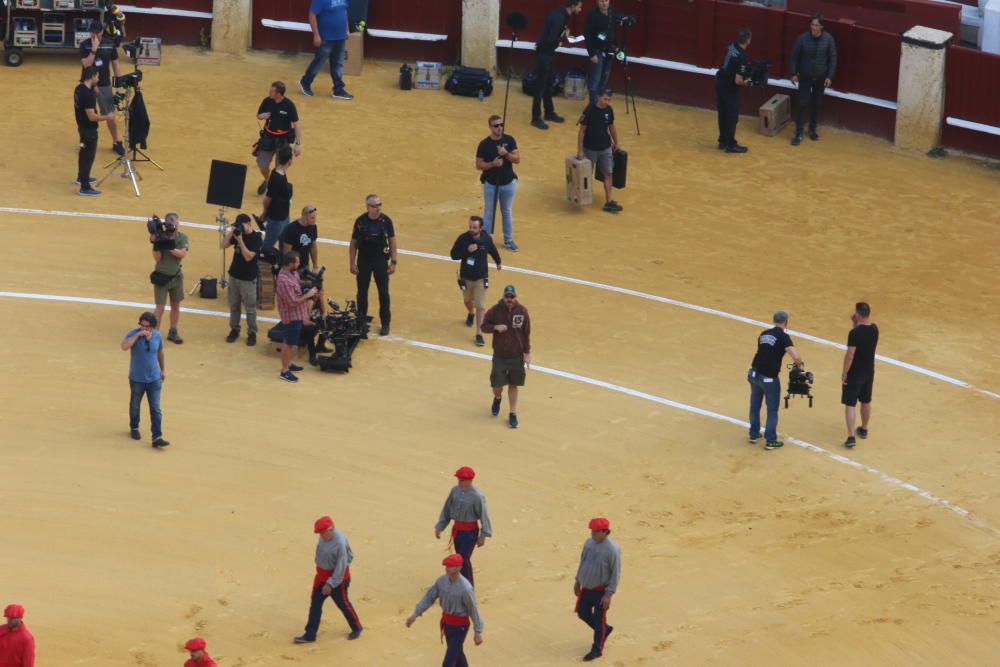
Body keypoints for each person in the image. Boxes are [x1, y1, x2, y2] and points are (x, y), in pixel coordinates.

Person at [295, 516, 363, 644]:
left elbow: (341, 566)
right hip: (321, 576)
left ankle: (357, 627)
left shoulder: (340, 543)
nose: (320, 535)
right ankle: (310, 634)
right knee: (315, 604)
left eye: (322, 532)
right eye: (319, 533)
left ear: (330, 529)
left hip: (338, 579)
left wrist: (330, 584)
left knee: (343, 604)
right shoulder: (323, 536)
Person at [405, 554, 484, 666]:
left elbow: (473, 609)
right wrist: (415, 615)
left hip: (460, 627)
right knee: (458, 654)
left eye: (450, 566)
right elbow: (429, 597)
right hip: (447, 624)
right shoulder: (441, 581)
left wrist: (478, 632)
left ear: (459, 567)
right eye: (446, 565)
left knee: (448, 661)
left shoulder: (465, 588)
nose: (447, 568)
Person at [747, 310, 805, 450]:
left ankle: (754, 434)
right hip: (769, 379)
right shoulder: (783, 337)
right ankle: (771, 440)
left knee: (755, 406)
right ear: (786, 323)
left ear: (774, 320)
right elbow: (795, 357)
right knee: (772, 409)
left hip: (754, 374)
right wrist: (801, 366)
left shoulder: (764, 334)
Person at [481, 285, 531, 429]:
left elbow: (526, 333)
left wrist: (527, 353)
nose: (509, 299)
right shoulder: (495, 310)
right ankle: (497, 398)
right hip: (500, 356)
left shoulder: (522, 311)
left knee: (513, 385)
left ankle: (513, 413)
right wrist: (495, 327)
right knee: (497, 386)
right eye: (507, 296)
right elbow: (484, 326)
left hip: (516, 356)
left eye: (512, 297)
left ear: (516, 297)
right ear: (503, 297)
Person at [435, 466, 493, 587]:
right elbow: (447, 509)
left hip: (470, 532)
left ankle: (467, 586)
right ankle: (459, 582)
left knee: (463, 560)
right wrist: (440, 526)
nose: (459, 482)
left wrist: (483, 535)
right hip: (457, 530)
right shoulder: (455, 491)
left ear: (470, 480)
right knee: (459, 558)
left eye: (462, 480)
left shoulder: (477, 496)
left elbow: (484, 516)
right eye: (459, 479)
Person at [450, 216, 502, 347]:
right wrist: (467, 251)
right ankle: (470, 313)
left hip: (481, 277)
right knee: (467, 301)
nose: (471, 230)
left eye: (474, 227)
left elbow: (493, 250)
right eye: (470, 227)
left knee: (480, 306)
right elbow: (453, 255)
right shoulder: (463, 238)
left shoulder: (486, 239)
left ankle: (479, 333)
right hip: (466, 277)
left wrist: (498, 262)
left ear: (481, 228)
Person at [574, 518, 621, 662]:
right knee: (582, 613)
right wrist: (577, 581)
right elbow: (583, 561)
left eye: (595, 531)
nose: (592, 534)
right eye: (591, 530)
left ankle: (597, 650)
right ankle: (604, 630)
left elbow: (616, 573)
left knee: (599, 620)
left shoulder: (612, 549)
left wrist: (609, 594)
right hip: (586, 588)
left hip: (601, 591)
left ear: (605, 532)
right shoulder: (589, 543)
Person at [531, 0, 584, 130]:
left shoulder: (561, 14)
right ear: (573, 6)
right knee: (541, 86)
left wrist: (563, 35)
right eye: (579, 7)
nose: (580, 10)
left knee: (549, 84)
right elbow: (551, 39)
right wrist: (565, 38)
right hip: (544, 53)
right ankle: (535, 118)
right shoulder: (560, 17)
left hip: (548, 53)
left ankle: (549, 113)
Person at [350, 194, 397, 336]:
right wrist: (352, 262)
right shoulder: (360, 221)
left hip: (380, 261)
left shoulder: (386, 221)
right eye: (375, 206)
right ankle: (361, 322)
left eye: (380, 205)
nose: (378, 208)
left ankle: (385, 323)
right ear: (367, 207)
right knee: (362, 293)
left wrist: (393, 262)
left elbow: (392, 241)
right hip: (363, 261)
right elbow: (354, 243)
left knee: (383, 293)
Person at [121, 311, 169, 448]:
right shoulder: (133, 334)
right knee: (135, 405)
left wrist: (163, 370)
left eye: (146, 327)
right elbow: (124, 346)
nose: (143, 328)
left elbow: (160, 352)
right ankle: (134, 427)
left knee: (156, 408)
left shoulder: (157, 336)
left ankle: (157, 437)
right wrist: (137, 335)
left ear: (153, 327)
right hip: (137, 378)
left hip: (154, 378)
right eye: (141, 325)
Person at [78, 20, 125, 157]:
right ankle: (84, 141)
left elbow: (116, 66)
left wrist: (118, 87)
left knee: (110, 115)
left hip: (104, 85)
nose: (93, 34)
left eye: (96, 32)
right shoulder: (84, 45)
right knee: (85, 116)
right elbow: (86, 64)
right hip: (88, 86)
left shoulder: (110, 45)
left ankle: (116, 142)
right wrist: (94, 49)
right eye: (91, 31)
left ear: (102, 32)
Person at [789, 15, 837, 146]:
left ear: (822, 26)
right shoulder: (802, 38)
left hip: (821, 77)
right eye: (812, 25)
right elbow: (794, 56)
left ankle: (812, 130)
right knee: (802, 103)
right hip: (805, 76)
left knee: (817, 104)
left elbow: (833, 59)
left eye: (816, 25)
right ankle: (799, 133)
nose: (814, 28)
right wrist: (793, 73)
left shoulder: (828, 39)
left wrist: (829, 76)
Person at [476, 115, 521, 252]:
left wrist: (505, 154)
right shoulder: (484, 144)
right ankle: (486, 240)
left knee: (506, 211)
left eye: (501, 124)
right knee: (489, 212)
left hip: (508, 183)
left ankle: (508, 240)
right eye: (496, 126)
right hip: (491, 184)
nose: (499, 128)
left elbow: (517, 159)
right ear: (490, 127)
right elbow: (479, 165)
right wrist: (493, 164)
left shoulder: (509, 140)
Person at [577, 89, 623, 213]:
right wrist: (580, 151)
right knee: (587, 175)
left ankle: (608, 202)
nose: (607, 102)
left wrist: (617, 143)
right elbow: (582, 131)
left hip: (606, 148)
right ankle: (582, 198)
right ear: (598, 97)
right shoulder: (589, 110)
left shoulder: (609, 110)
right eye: (605, 99)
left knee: (608, 173)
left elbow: (611, 127)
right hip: (590, 148)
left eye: (609, 100)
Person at [276, 252, 318, 383]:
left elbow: (297, 282)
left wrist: (307, 282)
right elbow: (292, 302)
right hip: (291, 316)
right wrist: (309, 294)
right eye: (297, 262)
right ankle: (284, 370)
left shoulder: (292, 273)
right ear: (290, 264)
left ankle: (288, 364)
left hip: (298, 315)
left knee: (292, 342)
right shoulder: (283, 281)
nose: (299, 264)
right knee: (288, 343)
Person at [841, 302, 879, 448]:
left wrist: (845, 372)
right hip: (869, 372)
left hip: (855, 373)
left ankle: (851, 437)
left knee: (850, 404)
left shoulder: (854, 333)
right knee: (866, 401)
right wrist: (855, 322)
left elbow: (850, 355)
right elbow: (863, 335)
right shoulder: (875, 329)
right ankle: (863, 428)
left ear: (857, 314)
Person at [221, 213, 262, 346]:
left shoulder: (256, 238)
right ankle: (234, 329)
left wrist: (240, 240)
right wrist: (231, 232)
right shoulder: (238, 234)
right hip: (234, 276)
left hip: (248, 279)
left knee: (250, 308)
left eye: (241, 225)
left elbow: (248, 257)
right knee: (234, 306)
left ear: (249, 224)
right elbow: (223, 245)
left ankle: (252, 333)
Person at [300, 0, 354, 100]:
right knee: (319, 63)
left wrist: (347, 29)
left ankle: (338, 89)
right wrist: (316, 35)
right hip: (326, 38)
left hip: (340, 37)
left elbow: (344, 12)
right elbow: (312, 15)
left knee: (338, 64)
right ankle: (305, 82)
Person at [74, 65, 114, 196]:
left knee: (83, 154)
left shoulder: (79, 89)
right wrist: (107, 117)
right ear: (92, 77)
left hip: (82, 127)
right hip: (89, 131)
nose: (98, 78)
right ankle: (85, 187)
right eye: (97, 76)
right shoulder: (88, 95)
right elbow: (92, 117)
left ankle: (81, 177)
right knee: (87, 157)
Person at [256, 82, 302, 195]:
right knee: (262, 164)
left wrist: (298, 144)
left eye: (272, 91)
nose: (269, 93)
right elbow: (258, 115)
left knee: (279, 168)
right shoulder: (267, 101)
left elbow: (296, 124)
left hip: (283, 140)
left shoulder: (289, 105)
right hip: (268, 137)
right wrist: (262, 116)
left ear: (279, 94)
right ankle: (268, 180)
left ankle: (273, 187)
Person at [151, 213, 189, 344]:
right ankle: (154, 334)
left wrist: (168, 245)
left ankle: (173, 331)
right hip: (162, 277)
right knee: (160, 307)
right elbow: (157, 258)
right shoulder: (160, 237)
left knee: (176, 305)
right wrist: (157, 244)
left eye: (176, 223)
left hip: (176, 277)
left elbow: (182, 254)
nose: (176, 226)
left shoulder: (182, 237)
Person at [716, 27, 752, 154]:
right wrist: (746, 83)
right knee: (731, 116)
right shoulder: (742, 57)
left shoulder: (731, 45)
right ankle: (730, 144)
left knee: (723, 113)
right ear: (748, 40)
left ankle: (722, 141)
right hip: (730, 88)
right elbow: (738, 81)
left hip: (720, 82)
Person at [584, 0, 618, 106]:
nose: (604, 3)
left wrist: (616, 45)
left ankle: (599, 100)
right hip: (597, 50)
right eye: (602, 1)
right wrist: (591, 53)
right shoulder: (592, 14)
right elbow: (587, 34)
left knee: (604, 77)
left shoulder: (612, 11)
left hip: (609, 51)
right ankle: (593, 105)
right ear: (597, 2)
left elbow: (614, 29)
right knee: (595, 79)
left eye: (606, 0)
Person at [261, 146, 294, 249]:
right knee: (267, 245)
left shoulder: (277, 173)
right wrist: (265, 213)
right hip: (276, 219)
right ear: (290, 161)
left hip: (284, 216)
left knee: (284, 242)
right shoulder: (277, 178)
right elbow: (267, 199)